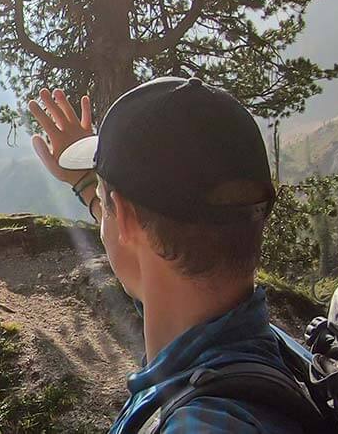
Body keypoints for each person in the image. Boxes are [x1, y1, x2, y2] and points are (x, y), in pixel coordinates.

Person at [28, 77, 303, 433]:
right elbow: (141, 246)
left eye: (105, 202)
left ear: (125, 219)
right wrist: (91, 188)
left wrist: (99, 191)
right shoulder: (276, 356)